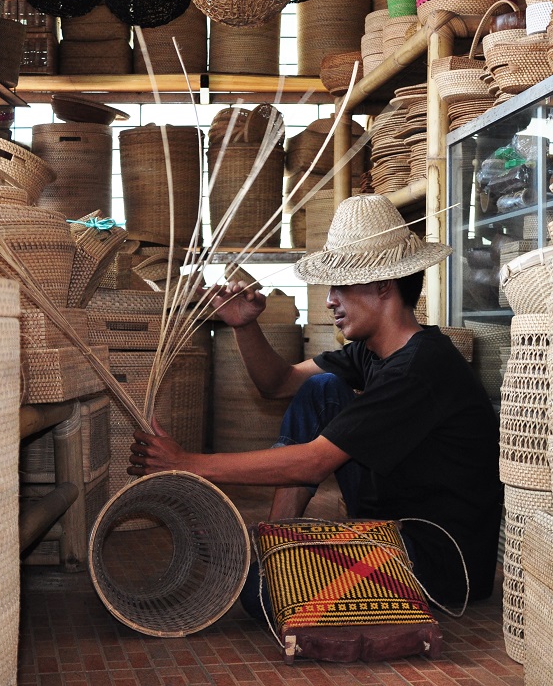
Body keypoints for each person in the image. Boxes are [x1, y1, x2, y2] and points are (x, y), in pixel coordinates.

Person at [128, 194, 502, 608]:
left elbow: (314, 462)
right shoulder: (372, 352)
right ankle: (276, 542)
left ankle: (273, 564)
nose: (329, 300)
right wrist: (244, 327)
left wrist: (188, 464)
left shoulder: (420, 368)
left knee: (259, 592)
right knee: (319, 389)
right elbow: (279, 383)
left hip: (438, 562)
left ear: (383, 285)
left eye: (341, 286)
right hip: (389, 526)